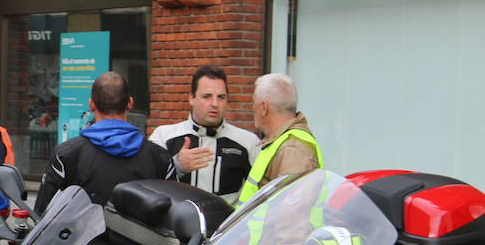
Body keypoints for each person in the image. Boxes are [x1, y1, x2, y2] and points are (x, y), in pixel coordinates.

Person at [34, 71, 171, 214]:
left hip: (84, 236)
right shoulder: (160, 157)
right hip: (140, 236)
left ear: (91, 105)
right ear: (130, 103)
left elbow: (43, 212)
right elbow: (171, 212)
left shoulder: (66, 154)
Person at [149, 65, 260, 203]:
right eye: (207, 96)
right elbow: (148, 186)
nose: (215, 103)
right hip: (176, 223)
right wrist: (176, 165)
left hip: (228, 223)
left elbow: (261, 193)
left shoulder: (248, 142)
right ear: (191, 98)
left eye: (221, 97)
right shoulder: (163, 136)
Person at [235, 72, 324, 205]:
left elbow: (290, 217)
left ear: (264, 108)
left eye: (254, 102)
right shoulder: (283, 143)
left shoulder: (292, 149)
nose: (253, 107)